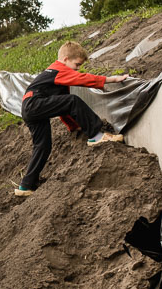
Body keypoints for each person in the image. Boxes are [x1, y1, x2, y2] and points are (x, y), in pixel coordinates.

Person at [14, 41, 134, 197]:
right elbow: (82, 79)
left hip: (29, 108)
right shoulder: (58, 69)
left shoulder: (56, 75)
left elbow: (62, 106)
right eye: (76, 64)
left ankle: (26, 186)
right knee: (73, 100)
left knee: (43, 146)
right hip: (34, 104)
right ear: (65, 59)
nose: (78, 69)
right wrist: (111, 80)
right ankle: (97, 136)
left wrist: (73, 126)